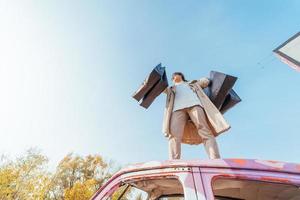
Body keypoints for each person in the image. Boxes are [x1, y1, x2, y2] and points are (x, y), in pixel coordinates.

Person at [162, 72, 230, 159]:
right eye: (173, 76)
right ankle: (174, 162)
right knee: (174, 135)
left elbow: (206, 82)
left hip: (195, 105)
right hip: (177, 109)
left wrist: (202, 80)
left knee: (205, 131)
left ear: (182, 76)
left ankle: (215, 159)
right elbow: (160, 89)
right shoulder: (170, 88)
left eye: (177, 74)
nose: (175, 76)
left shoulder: (192, 83)